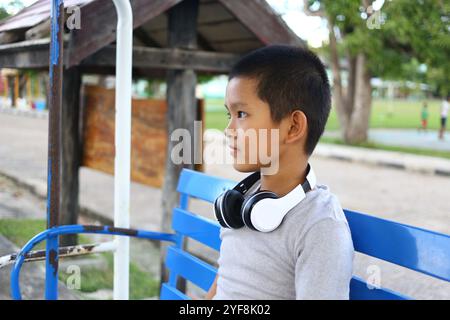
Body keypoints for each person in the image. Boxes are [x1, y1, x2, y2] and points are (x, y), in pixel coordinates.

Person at [204, 45, 354, 300]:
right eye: (230, 114)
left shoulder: (319, 228)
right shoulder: (240, 204)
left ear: (293, 126)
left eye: (241, 114)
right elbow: (227, 277)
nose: (229, 129)